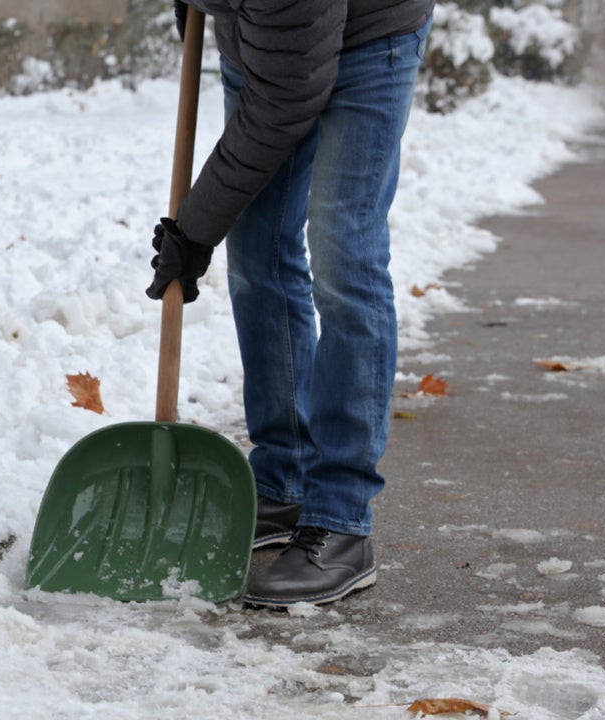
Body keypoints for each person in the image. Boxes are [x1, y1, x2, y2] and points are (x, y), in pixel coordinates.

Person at [147, 0, 435, 608]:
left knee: (344, 252)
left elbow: (283, 99)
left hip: (371, 36)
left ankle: (342, 518)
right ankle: (283, 479)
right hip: (269, 42)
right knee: (256, 252)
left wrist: (195, 229)